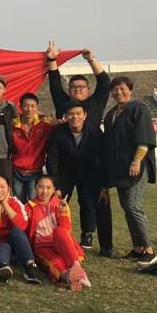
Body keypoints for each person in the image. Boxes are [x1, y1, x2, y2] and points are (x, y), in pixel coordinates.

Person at [102, 76, 157, 266]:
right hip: (119, 169)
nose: (119, 92)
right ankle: (138, 248)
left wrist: (136, 161)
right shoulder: (111, 114)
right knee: (127, 209)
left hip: (136, 167)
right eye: (115, 90)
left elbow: (144, 138)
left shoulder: (138, 109)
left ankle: (149, 251)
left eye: (122, 88)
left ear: (130, 90)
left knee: (134, 207)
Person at [46, 101, 113, 253]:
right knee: (56, 204)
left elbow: (104, 157)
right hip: (65, 173)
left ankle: (106, 246)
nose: (74, 117)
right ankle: (52, 242)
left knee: (101, 204)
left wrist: (104, 185)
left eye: (78, 113)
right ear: (66, 116)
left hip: (90, 172)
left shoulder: (94, 131)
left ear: (85, 115)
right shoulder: (58, 132)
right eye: (70, 114)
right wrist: (55, 186)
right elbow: (52, 159)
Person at [25, 176, 91, 291]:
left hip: (60, 242)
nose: (44, 191)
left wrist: (62, 212)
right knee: (56, 261)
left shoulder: (60, 204)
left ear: (54, 190)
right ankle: (68, 277)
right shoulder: (29, 207)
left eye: (48, 188)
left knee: (59, 231)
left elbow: (66, 231)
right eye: (40, 187)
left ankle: (76, 267)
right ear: (35, 188)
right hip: (43, 246)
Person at [0, 176, 42, 284]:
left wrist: (5, 205)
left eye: (3, 187)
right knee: (4, 246)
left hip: (14, 244)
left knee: (16, 231)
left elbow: (22, 226)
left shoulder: (15, 202)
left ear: (9, 189)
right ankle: (3, 269)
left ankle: (31, 266)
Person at [45, 41, 110, 127]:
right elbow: (55, 83)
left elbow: (104, 81)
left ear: (88, 89)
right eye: (73, 87)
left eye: (81, 86)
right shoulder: (62, 102)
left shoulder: (96, 102)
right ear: (69, 90)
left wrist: (91, 60)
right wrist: (51, 59)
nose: (77, 89)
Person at [11, 93, 53, 203]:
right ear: (20, 107)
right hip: (16, 171)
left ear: (37, 107)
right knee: (19, 203)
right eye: (26, 106)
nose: (29, 109)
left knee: (34, 202)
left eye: (33, 106)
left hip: (35, 172)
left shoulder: (45, 126)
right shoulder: (12, 125)